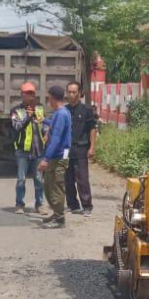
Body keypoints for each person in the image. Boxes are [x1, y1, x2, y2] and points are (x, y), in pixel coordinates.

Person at [10, 82, 47, 215]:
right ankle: (19, 204)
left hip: (38, 151)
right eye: (27, 93)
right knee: (21, 179)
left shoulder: (40, 108)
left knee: (38, 179)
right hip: (22, 151)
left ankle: (40, 204)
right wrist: (28, 116)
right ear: (22, 95)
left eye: (32, 93)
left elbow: (44, 126)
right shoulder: (15, 111)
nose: (30, 96)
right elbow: (17, 126)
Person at [38, 85, 72, 229]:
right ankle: (56, 213)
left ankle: (59, 219)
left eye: (48, 97)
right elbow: (56, 127)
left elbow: (56, 138)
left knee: (55, 187)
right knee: (47, 185)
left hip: (58, 156)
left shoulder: (61, 113)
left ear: (52, 97)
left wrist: (46, 159)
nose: (48, 100)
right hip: (57, 155)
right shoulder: (61, 112)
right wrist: (44, 120)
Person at [65, 81, 97, 217]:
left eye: (74, 92)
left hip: (81, 148)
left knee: (82, 179)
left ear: (79, 93)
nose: (71, 95)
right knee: (68, 179)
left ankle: (87, 206)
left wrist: (92, 148)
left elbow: (92, 129)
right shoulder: (63, 110)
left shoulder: (86, 110)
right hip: (66, 150)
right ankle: (72, 204)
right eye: (69, 92)